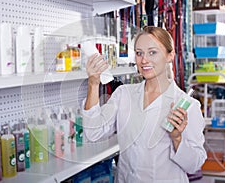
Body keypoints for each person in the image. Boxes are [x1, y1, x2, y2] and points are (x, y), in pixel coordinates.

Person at [82, 26, 207, 183]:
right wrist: (93, 83)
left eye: (152, 52)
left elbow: (194, 164)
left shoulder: (187, 105)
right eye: (139, 53)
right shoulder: (123, 95)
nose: (144, 60)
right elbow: (93, 133)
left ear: (170, 55)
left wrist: (177, 138)